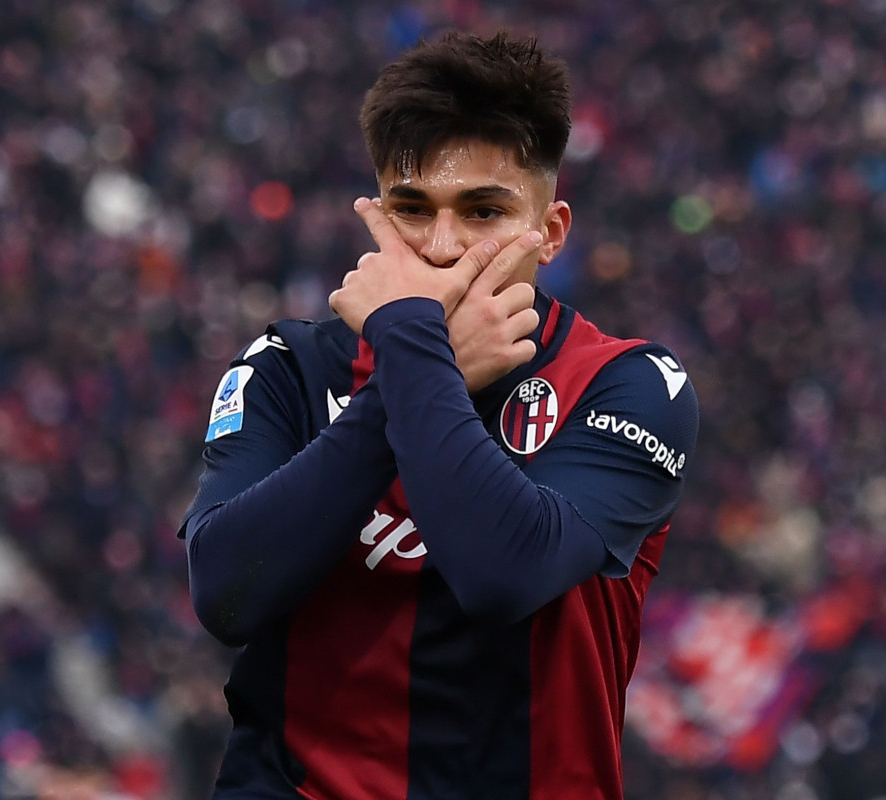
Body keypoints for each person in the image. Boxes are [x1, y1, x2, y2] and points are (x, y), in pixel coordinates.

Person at [179, 30, 700, 800]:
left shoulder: (628, 384)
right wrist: (414, 365)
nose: (444, 246)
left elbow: (505, 574)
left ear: (550, 233)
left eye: (484, 210)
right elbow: (226, 594)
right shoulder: (289, 368)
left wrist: (410, 353)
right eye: (412, 210)